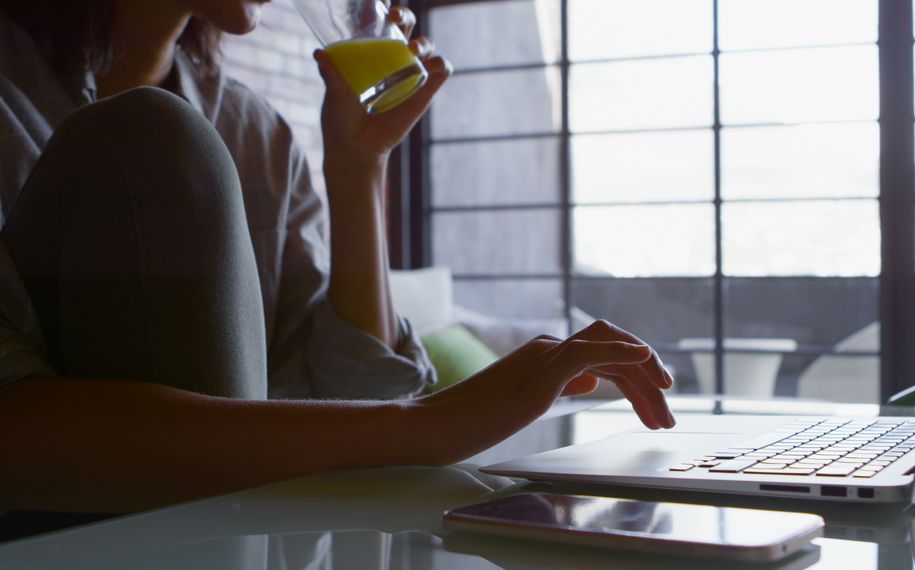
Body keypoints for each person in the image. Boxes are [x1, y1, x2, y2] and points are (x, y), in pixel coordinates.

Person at [0, 0, 675, 514]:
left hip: (249, 529)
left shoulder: (253, 132)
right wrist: (430, 427)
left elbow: (348, 398)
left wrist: (360, 170)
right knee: (155, 136)